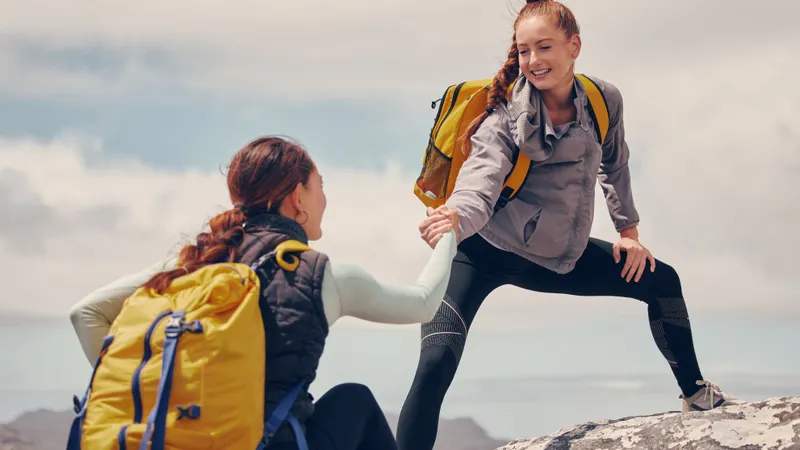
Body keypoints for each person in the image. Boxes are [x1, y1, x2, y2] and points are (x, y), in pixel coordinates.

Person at [398, 1, 739, 449]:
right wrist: (456, 216)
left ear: (574, 46)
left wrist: (629, 233)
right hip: (478, 250)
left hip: (556, 256)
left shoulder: (602, 100)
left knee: (662, 280)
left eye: (544, 47)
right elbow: (480, 181)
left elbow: (615, 165)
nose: (533, 60)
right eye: (524, 51)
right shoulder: (501, 116)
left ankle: (696, 396)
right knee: (435, 362)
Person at [69, 136, 459, 450]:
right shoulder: (319, 273)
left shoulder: (188, 264)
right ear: (296, 196)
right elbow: (423, 304)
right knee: (354, 402)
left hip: (156, 439)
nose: (325, 199)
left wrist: (149, 397)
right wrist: (449, 237)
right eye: (319, 186)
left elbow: (85, 313)